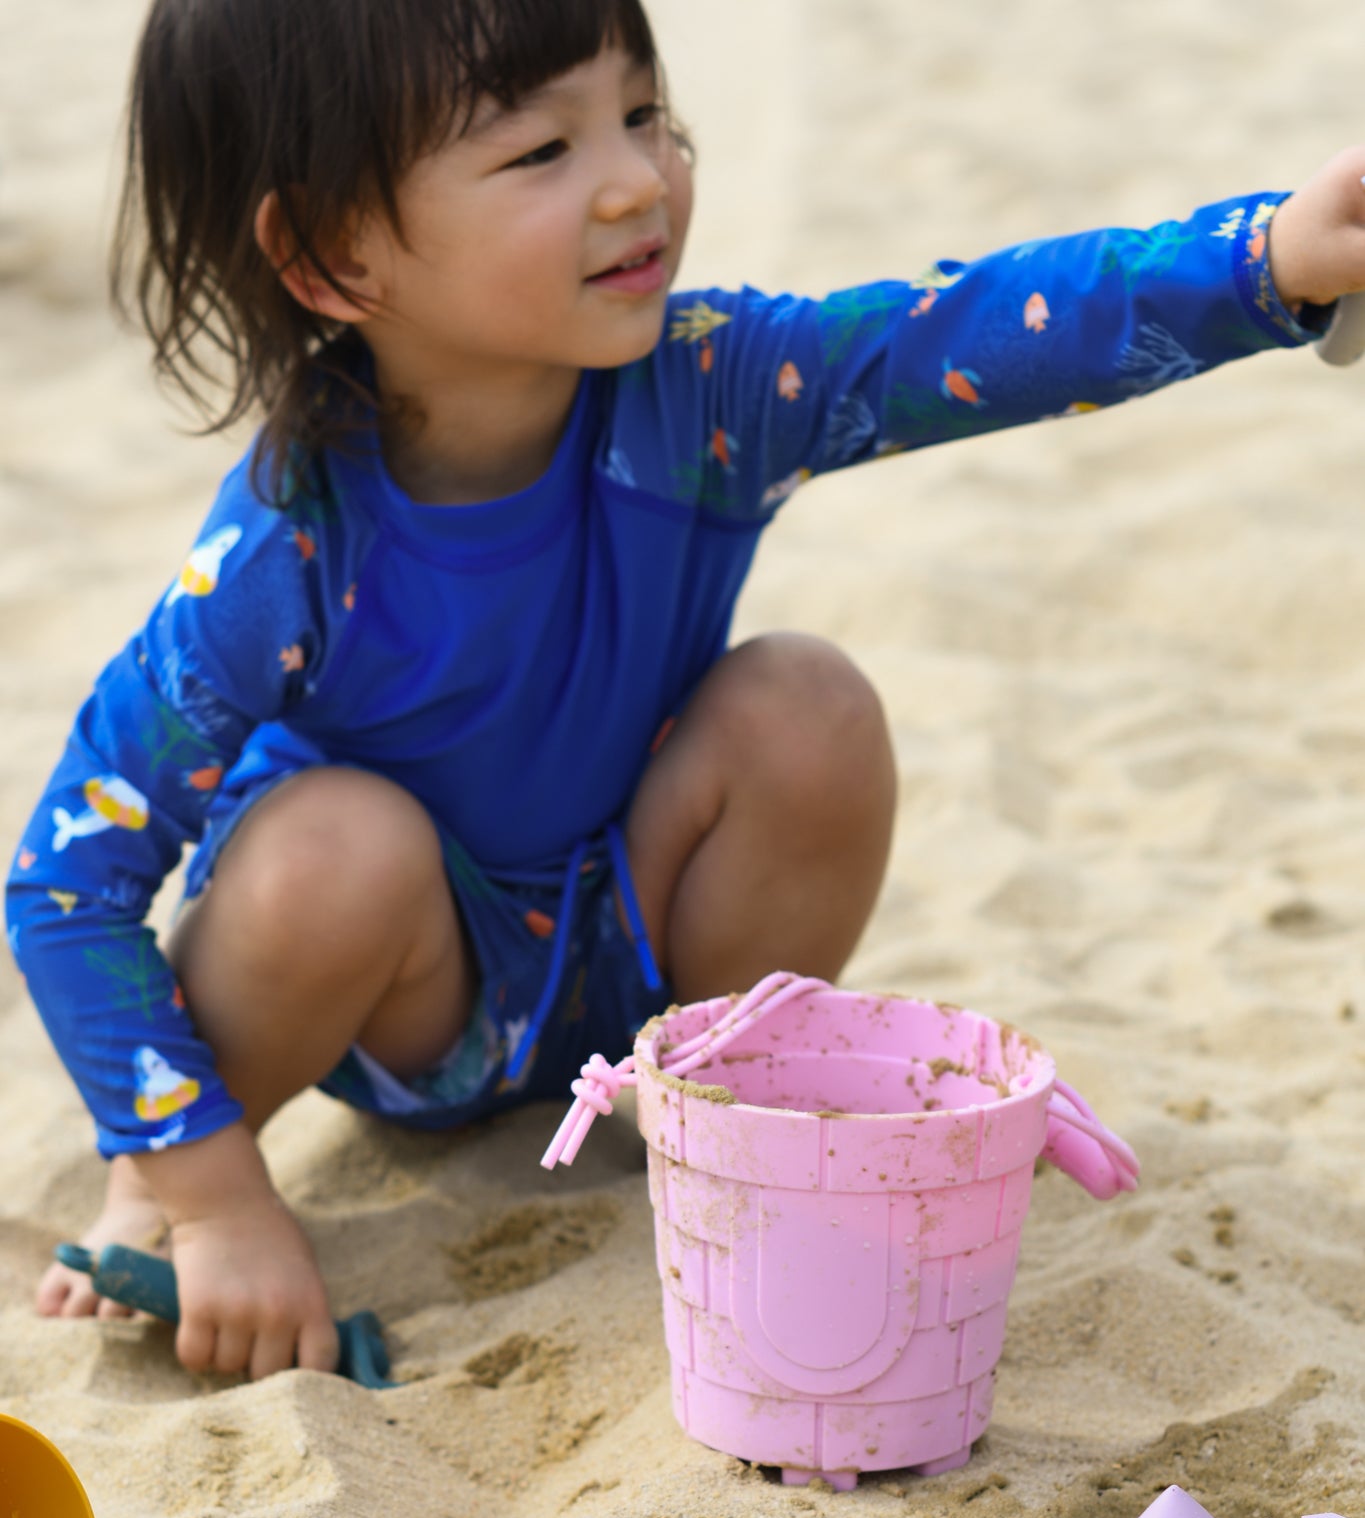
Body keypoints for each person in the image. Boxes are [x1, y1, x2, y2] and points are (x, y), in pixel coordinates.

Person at [8, 0, 1365, 1379]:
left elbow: (970, 329)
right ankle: (162, 1182)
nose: (635, 179)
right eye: (540, 149)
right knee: (332, 845)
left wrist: (1263, 260)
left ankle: (709, 1112)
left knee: (805, 703)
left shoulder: (712, 386)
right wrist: (212, 1191)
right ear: (332, 254)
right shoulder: (287, 550)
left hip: (629, 943)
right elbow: (65, 881)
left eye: (644, 113)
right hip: (393, 991)